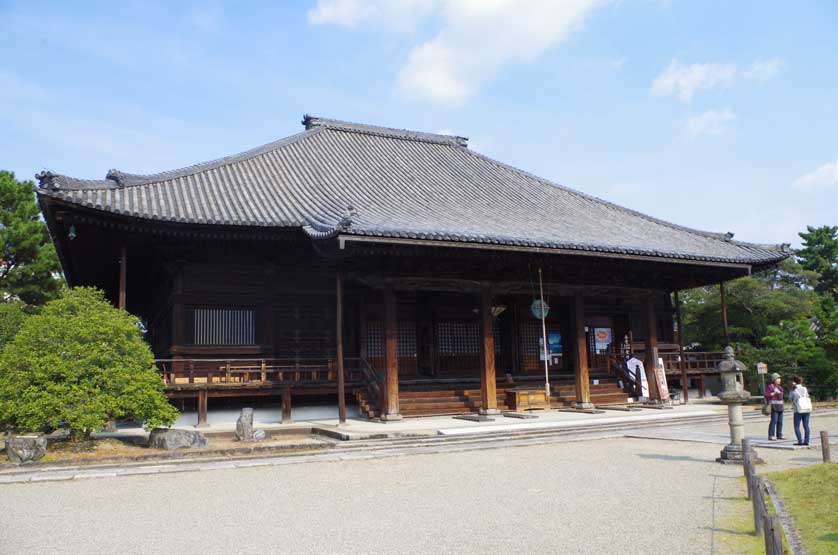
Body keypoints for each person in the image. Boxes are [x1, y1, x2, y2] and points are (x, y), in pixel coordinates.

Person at [789, 375, 812, 446]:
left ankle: (800, 441)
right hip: (806, 409)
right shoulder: (805, 388)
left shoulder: (793, 390)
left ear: (794, 382)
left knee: (797, 426)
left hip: (798, 410)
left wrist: (792, 387)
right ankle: (806, 441)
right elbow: (807, 396)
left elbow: (790, 398)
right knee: (806, 425)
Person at [764, 373, 785, 440]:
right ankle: (771, 435)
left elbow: (782, 396)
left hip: (780, 406)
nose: (779, 380)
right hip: (774, 406)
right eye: (778, 378)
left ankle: (779, 434)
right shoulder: (770, 386)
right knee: (774, 421)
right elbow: (766, 395)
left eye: (779, 378)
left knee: (780, 421)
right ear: (774, 379)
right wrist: (773, 393)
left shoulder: (780, 387)